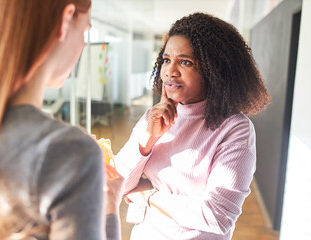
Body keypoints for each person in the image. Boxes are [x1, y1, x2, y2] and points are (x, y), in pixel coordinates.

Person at [0, 0, 124, 239]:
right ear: (66, 20)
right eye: (86, 30)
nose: (83, 44)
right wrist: (110, 206)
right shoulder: (71, 152)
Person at [115, 12, 271, 239]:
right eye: (166, 60)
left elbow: (218, 215)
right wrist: (147, 140)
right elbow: (118, 183)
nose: (170, 71)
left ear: (214, 70)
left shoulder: (235, 129)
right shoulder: (153, 117)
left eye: (185, 62)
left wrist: (150, 195)